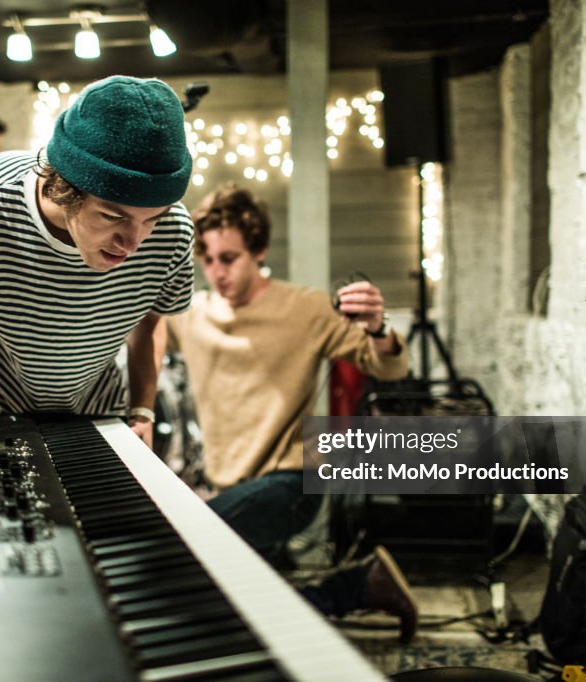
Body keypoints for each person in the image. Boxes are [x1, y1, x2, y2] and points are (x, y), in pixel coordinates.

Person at [0, 76, 195, 482]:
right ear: (63, 186)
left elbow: (149, 323)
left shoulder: (174, 233)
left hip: (96, 414)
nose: (133, 243)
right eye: (113, 216)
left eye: (151, 219)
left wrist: (142, 410)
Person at [165, 184, 418, 641]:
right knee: (239, 618)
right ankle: (358, 585)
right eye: (206, 258)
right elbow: (133, 337)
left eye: (228, 258)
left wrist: (380, 329)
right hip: (233, 486)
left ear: (259, 250)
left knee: (186, 547)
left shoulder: (305, 307)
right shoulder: (191, 313)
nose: (215, 271)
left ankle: (353, 585)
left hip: (293, 481)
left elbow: (389, 364)